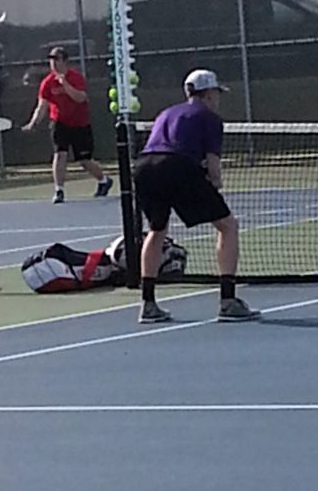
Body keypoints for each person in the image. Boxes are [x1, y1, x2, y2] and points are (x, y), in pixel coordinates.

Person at [132, 69, 260, 324]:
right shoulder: (210, 117)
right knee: (227, 226)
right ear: (209, 94)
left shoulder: (166, 113)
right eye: (216, 93)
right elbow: (213, 166)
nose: (217, 98)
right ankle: (228, 300)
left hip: (144, 167)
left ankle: (148, 304)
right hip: (178, 167)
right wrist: (215, 183)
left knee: (156, 231)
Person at [22, 46, 113, 203]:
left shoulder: (76, 77)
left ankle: (104, 180)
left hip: (80, 124)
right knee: (60, 154)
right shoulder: (47, 83)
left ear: (64, 61)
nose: (53, 63)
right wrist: (33, 122)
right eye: (51, 60)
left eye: (56, 59)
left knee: (85, 160)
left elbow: (81, 98)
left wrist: (65, 84)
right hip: (59, 123)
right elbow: (42, 106)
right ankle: (59, 190)